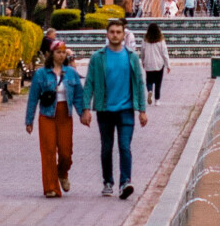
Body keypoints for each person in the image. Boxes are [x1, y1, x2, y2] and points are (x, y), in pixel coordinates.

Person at [82, 17, 149, 199]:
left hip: (126, 110)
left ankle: (125, 182)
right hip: (104, 110)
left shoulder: (131, 57)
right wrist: (85, 109)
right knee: (106, 147)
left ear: (123, 35)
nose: (115, 35)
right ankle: (108, 181)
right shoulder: (98, 58)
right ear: (107, 34)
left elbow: (139, 83)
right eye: (112, 32)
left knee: (124, 146)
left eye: (118, 32)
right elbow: (89, 83)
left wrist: (142, 111)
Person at [25, 42, 87, 196]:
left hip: (64, 115)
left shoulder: (71, 73)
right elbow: (33, 98)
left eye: (63, 52)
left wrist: (83, 113)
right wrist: (29, 120)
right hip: (47, 115)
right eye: (58, 52)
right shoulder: (41, 73)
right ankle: (51, 187)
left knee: (66, 152)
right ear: (51, 54)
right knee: (48, 151)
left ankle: (62, 172)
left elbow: (79, 95)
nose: (61, 55)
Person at [139, 23, 171, 102]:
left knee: (149, 80)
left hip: (148, 63)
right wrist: (168, 65)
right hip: (159, 64)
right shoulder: (161, 40)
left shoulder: (145, 40)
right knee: (158, 83)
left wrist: (143, 61)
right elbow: (164, 53)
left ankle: (150, 90)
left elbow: (142, 52)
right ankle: (157, 100)